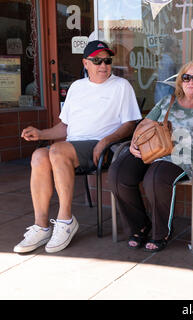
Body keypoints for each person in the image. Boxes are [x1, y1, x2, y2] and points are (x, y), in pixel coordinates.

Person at [13, 40, 142, 254]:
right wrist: (41, 134)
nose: (103, 65)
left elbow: (130, 124)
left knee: (57, 150)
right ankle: (41, 226)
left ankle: (65, 220)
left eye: (107, 61)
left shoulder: (121, 86)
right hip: (70, 148)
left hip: (102, 148)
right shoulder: (77, 87)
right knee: (38, 155)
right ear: (85, 63)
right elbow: (65, 126)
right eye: (97, 61)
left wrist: (106, 141)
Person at [108, 61, 193, 252]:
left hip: (185, 158)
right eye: (186, 78)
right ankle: (140, 225)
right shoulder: (167, 101)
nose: (191, 82)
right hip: (155, 150)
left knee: (155, 177)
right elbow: (144, 125)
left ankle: (161, 232)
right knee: (118, 173)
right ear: (180, 81)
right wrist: (135, 142)